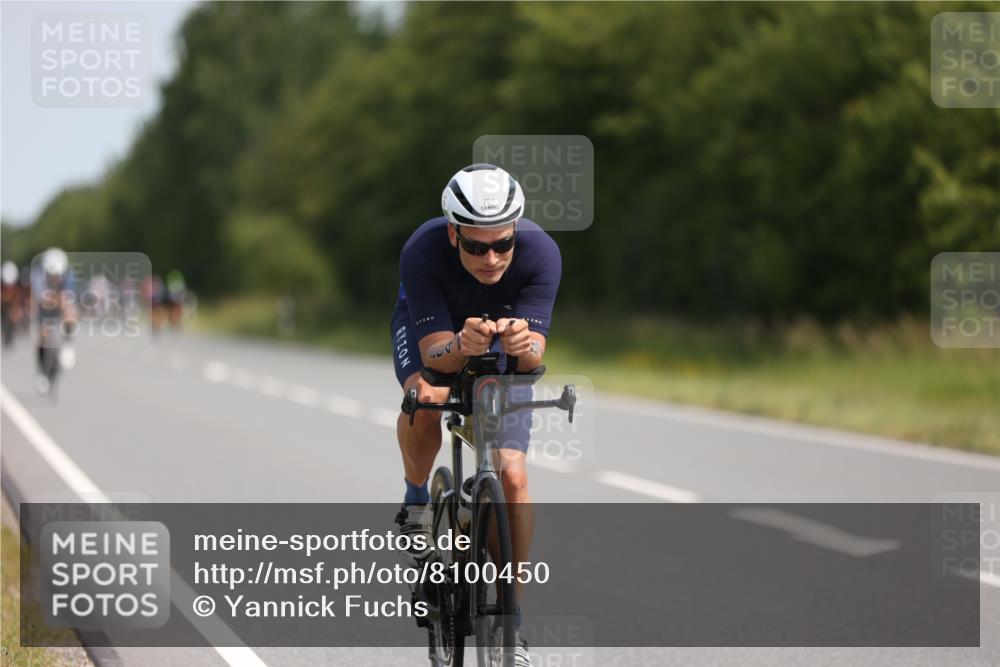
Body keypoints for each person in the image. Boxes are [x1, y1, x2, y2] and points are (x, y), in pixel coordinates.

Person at [390, 163, 561, 664]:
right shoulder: (422, 251)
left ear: (516, 234)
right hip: (440, 338)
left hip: (502, 355)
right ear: (452, 234)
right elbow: (433, 357)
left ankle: (512, 621)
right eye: (476, 246)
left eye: (502, 245)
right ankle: (417, 499)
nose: (491, 258)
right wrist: (462, 346)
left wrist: (523, 342)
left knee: (511, 474)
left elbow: (535, 359)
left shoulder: (542, 253)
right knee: (427, 397)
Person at [33, 248, 76, 394]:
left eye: (57, 274)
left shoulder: (69, 275)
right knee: (43, 335)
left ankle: (68, 343)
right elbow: (42, 299)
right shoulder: (38, 276)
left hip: (59, 304)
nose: (55, 277)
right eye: (51, 275)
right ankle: (42, 374)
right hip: (45, 308)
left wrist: (61, 303)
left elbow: (67, 299)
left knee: (70, 310)